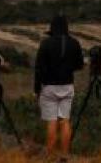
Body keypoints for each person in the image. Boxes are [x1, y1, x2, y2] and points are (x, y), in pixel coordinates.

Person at [35, 13, 85, 163]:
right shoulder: (74, 43)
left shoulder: (45, 44)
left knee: (51, 121)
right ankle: (65, 156)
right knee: (65, 120)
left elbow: (39, 69)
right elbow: (80, 65)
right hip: (67, 86)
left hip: (49, 87)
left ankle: (50, 157)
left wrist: (37, 89)